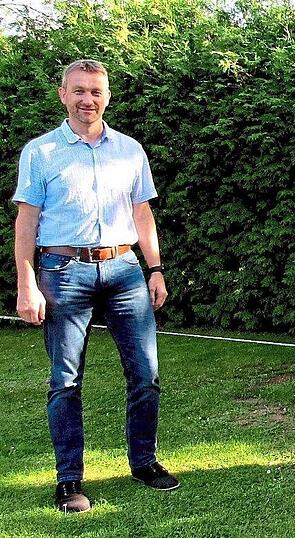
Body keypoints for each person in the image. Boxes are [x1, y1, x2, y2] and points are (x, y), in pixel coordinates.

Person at [12, 59, 179, 513]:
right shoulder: (41, 152)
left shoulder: (129, 150)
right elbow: (27, 220)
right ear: (63, 95)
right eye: (79, 91)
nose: (88, 100)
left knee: (146, 375)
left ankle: (144, 463)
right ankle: (69, 481)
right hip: (63, 273)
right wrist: (26, 280)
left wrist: (156, 267)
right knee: (65, 380)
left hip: (125, 270)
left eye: (97, 92)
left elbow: (142, 214)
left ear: (107, 97)